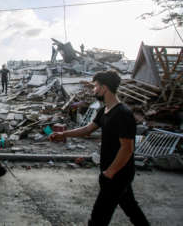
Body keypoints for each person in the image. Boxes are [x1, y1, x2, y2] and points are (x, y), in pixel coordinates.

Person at [49, 70, 149, 226]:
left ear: (104, 88)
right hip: (112, 171)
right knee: (131, 208)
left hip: (117, 174)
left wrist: (110, 173)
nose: (93, 90)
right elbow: (88, 129)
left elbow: (127, 149)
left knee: (98, 217)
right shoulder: (105, 110)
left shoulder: (123, 114)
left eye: (95, 86)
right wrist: (64, 134)